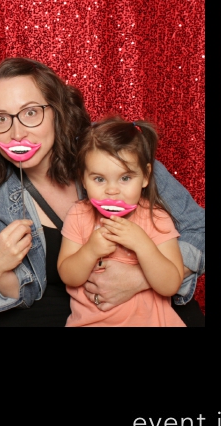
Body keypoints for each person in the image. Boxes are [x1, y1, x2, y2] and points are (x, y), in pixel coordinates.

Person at [0, 57, 205, 327]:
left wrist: (140, 279)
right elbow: (25, 291)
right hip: (60, 310)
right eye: (0, 118)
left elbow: (201, 228)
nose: (17, 133)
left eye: (31, 112)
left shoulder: (109, 148)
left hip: (148, 307)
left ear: (57, 110)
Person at [58, 119, 186, 326]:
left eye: (125, 178)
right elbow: (68, 276)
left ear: (145, 176)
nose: (112, 190)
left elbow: (171, 285)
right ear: (83, 179)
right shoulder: (79, 215)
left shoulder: (157, 218)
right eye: (99, 179)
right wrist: (90, 251)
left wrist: (143, 245)